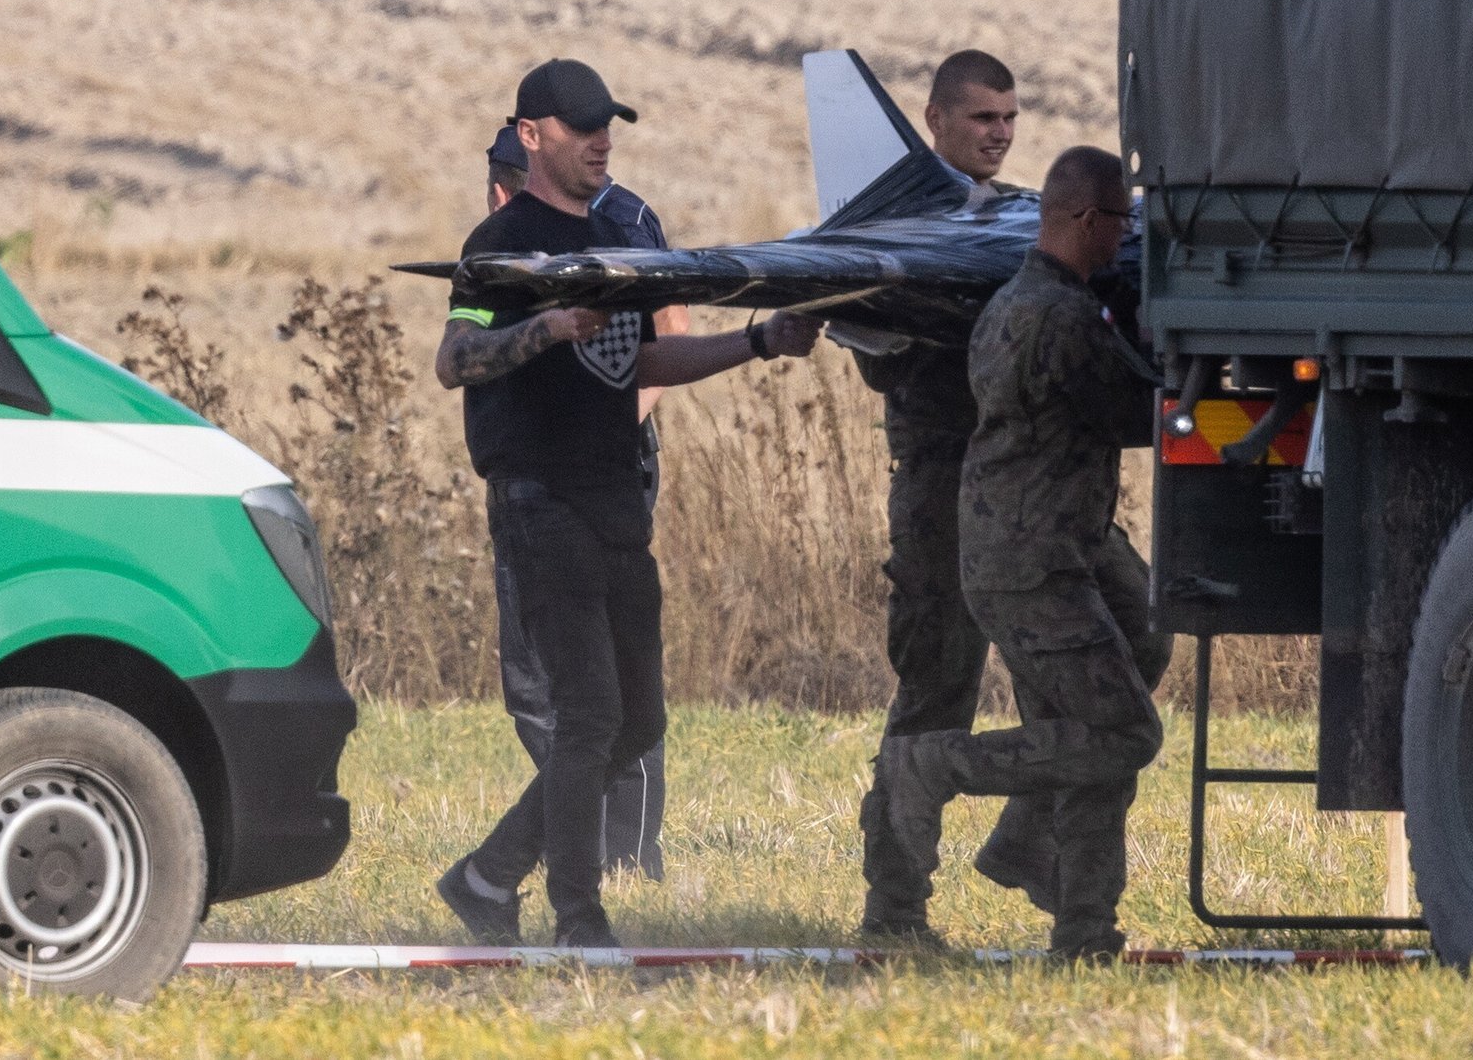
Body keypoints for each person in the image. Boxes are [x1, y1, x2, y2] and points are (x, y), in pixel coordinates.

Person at [435, 58, 821, 947]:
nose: (602, 140)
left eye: (608, 123)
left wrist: (759, 340)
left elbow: (640, 364)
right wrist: (542, 327)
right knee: (591, 715)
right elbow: (455, 360)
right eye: (581, 127)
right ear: (532, 137)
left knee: (638, 717)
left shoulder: (620, 237)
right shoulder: (501, 249)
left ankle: (487, 876)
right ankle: (580, 916)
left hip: (615, 498)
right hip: (538, 499)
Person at [872, 145, 1171, 961]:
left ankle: (1081, 924)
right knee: (1122, 733)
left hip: (1049, 544)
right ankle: (936, 767)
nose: (1125, 239)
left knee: (1131, 658)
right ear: (1086, 221)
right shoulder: (1062, 319)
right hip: (1033, 559)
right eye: (1119, 223)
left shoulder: (1014, 301)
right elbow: (1131, 413)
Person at [852, 50, 1044, 943]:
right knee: (939, 689)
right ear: (933, 119)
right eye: (981, 119)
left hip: (1031, 482)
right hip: (940, 487)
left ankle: (1029, 839)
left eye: (1008, 119)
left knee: (1114, 661)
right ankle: (894, 910)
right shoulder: (903, 229)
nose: (999, 134)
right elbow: (867, 347)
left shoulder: (1016, 219)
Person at [485, 124, 685, 882]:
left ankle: (625, 856)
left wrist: (597, 432)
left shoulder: (626, 223)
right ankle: (573, 846)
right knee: (535, 683)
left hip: (604, 475)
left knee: (614, 684)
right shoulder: (505, 241)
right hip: (530, 475)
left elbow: (671, 336)